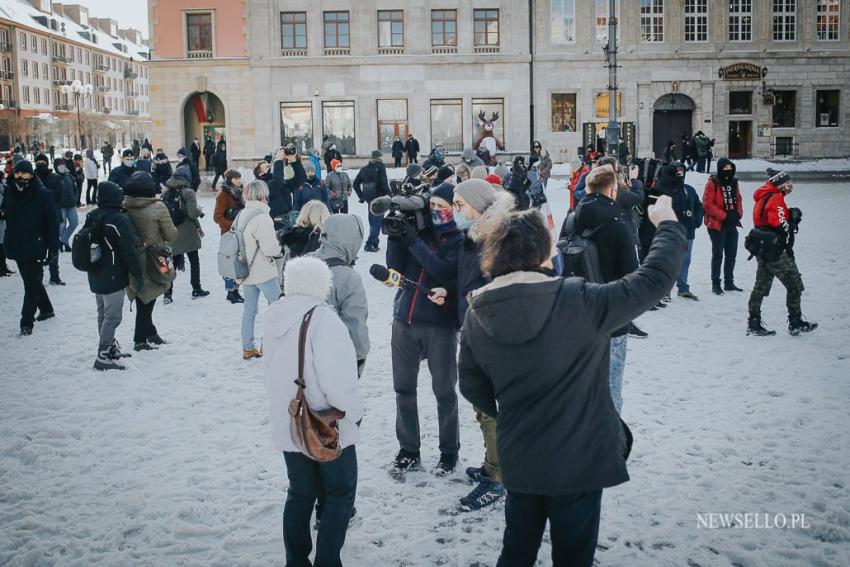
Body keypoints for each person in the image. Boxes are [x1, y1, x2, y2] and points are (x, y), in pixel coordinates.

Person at [458, 198, 686, 567]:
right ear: (543, 253)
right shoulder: (579, 298)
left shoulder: (477, 311)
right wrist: (668, 225)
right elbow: (653, 280)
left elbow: (471, 385)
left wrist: (512, 409)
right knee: (574, 555)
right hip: (579, 458)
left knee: (516, 550)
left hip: (521, 454)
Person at [262, 256, 363, 567]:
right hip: (324, 424)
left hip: (287, 418)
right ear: (322, 285)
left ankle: (296, 561)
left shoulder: (274, 315)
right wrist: (353, 413)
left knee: (300, 493)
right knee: (340, 493)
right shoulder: (324, 319)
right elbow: (340, 382)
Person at [430, 179, 513, 510]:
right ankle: (493, 465)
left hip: (492, 335)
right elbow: (468, 281)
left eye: (459, 203)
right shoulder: (475, 234)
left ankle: (498, 478)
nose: (454, 209)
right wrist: (450, 293)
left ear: (478, 205)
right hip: (474, 328)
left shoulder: (498, 239)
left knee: (489, 407)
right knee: (481, 405)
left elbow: (501, 289)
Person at [386, 182, 464, 476]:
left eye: (441, 207)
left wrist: (414, 243)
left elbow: (442, 271)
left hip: (440, 325)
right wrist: (397, 236)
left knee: (444, 392)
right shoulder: (419, 232)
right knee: (403, 389)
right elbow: (395, 267)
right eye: (431, 206)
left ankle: (449, 451)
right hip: (404, 320)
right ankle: (408, 448)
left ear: (453, 209)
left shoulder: (459, 240)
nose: (435, 212)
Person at [574, 165, 641, 414]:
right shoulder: (618, 225)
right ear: (613, 191)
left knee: (582, 386)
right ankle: (610, 445)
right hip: (611, 317)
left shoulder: (572, 220)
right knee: (611, 387)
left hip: (578, 314)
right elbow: (632, 275)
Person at [747, 170, 818, 337]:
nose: (790, 186)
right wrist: (791, 222)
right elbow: (778, 223)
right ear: (778, 183)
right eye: (787, 183)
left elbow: (766, 219)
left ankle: (754, 322)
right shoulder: (775, 198)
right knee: (794, 285)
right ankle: (795, 322)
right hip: (776, 250)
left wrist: (787, 214)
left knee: (760, 286)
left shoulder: (763, 195)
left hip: (762, 248)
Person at [84, 181, 144, 370]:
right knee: (113, 316)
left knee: (103, 312)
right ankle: (103, 357)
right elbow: (128, 249)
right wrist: (137, 273)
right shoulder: (118, 219)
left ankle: (108, 348)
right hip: (112, 274)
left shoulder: (93, 215)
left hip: (95, 272)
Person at [3, 159, 59, 335]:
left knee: (30, 286)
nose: (20, 177)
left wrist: (53, 248)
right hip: (17, 245)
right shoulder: (10, 192)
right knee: (31, 281)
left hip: (36, 245)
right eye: (17, 173)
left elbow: (52, 223)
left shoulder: (43, 194)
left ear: (31, 174)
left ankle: (26, 322)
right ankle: (47, 309)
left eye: (24, 173)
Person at [124, 171, 177, 351]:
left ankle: (151, 333)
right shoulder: (158, 207)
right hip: (155, 258)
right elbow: (171, 234)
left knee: (143, 293)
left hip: (132, 257)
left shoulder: (125, 205)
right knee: (148, 299)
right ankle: (140, 340)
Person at [313, 214, 370, 376]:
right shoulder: (348, 277)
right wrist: (358, 361)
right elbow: (356, 327)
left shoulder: (304, 263)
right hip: (333, 361)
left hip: (301, 360)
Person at [237, 179, 283, 359]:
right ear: (263, 195)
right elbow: (270, 248)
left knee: (249, 310)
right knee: (277, 307)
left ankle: (248, 347)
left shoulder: (242, 214)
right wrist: (280, 251)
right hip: (263, 271)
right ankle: (268, 345)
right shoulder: (262, 217)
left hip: (245, 270)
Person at [163, 166, 208, 303]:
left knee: (172, 264)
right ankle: (196, 288)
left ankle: (167, 293)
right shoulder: (188, 192)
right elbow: (192, 213)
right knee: (194, 261)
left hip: (172, 233)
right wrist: (199, 210)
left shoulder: (167, 191)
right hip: (188, 232)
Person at [703, 158, 744, 295]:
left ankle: (729, 282)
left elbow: (738, 199)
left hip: (732, 223)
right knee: (718, 254)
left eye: (729, 168)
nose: (727, 171)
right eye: (725, 168)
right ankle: (716, 283)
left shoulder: (734, 182)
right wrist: (724, 216)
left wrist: (738, 214)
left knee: (731, 254)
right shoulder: (712, 183)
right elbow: (707, 204)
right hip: (717, 225)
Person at [214, 169, 246, 304]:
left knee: (239, 262)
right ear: (229, 180)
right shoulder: (223, 195)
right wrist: (232, 225)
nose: (238, 181)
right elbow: (217, 217)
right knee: (228, 263)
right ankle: (230, 292)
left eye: (239, 178)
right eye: (235, 179)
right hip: (228, 233)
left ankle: (236, 290)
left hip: (241, 233)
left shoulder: (242, 193)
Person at [33, 153, 65, 285]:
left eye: (42, 162)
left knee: (53, 246)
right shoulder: (32, 179)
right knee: (37, 248)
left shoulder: (54, 178)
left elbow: (58, 196)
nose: (40, 165)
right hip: (37, 218)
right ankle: (38, 276)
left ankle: (54, 275)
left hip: (52, 216)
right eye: (38, 162)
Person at [353, 149, 391, 252]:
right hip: (379, 198)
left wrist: (361, 196)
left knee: (373, 221)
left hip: (370, 198)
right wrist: (390, 194)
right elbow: (384, 182)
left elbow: (355, 184)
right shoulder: (380, 167)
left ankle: (374, 242)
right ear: (379, 158)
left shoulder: (364, 169)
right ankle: (370, 243)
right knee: (377, 222)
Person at [52, 158, 79, 254]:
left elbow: (75, 189)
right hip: (60, 206)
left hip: (71, 204)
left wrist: (75, 199)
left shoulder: (69, 176)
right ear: (56, 167)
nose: (62, 167)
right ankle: (66, 244)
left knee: (74, 222)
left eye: (63, 165)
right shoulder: (54, 178)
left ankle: (62, 240)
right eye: (59, 165)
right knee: (62, 225)